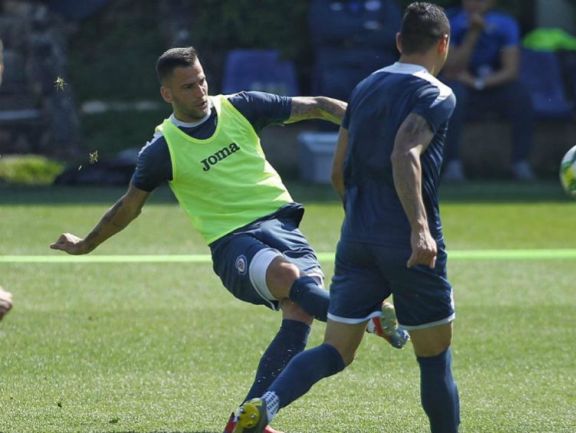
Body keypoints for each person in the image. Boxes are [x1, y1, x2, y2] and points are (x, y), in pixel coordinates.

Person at [49, 47, 409, 433]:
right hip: (233, 243)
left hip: (284, 226)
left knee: (300, 311)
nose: (200, 91)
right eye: (188, 86)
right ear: (167, 95)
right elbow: (129, 208)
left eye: (202, 80)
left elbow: (318, 105)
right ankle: (367, 315)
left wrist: (366, 124)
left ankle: (246, 419)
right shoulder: (162, 150)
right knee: (288, 277)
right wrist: (86, 243)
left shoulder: (241, 107)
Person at [230, 3, 460, 433]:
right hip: (409, 243)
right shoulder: (437, 93)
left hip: (356, 237)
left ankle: (268, 404)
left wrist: (359, 222)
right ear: (443, 44)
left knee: (336, 348)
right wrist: (419, 231)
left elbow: (338, 170)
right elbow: (404, 152)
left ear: (398, 42)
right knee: (434, 359)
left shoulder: (366, 87)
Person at [441, 0, 536, 181]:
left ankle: (520, 162)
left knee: (520, 95)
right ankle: (452, 164)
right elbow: (452, 67)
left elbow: (511, 71)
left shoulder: (505, 23)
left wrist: (478, 82)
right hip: (461, 86)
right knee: (451, 95)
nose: (476, 3)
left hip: (489, 85)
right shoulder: (450, 22)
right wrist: (473, 33)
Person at [308, 0, 402, 102]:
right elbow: (324, 31)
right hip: (337, 66)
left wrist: (349, 36)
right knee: (333, 86)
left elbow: (392, 33)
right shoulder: (323, 3)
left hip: (377, 65)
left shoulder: (385, 4)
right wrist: (369, 28)